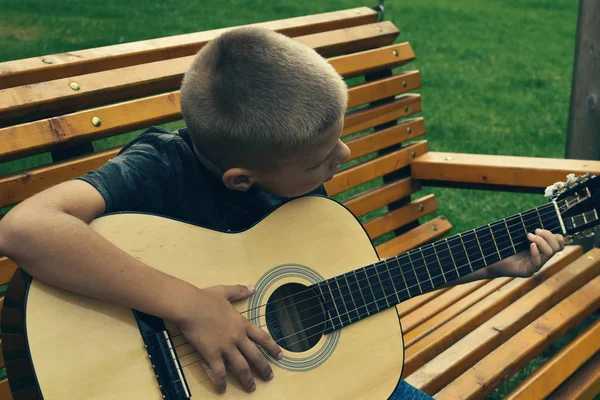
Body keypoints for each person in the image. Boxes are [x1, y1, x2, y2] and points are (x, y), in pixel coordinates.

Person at [0, 26, 564, 399]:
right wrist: (189, 305)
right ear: (241, 179)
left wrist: (483, 263)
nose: (342, 158)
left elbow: (333, 292)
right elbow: (25, 228)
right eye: (321, 160)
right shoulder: (158, 168)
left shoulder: (295, 193)